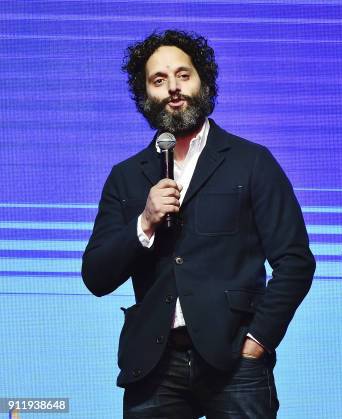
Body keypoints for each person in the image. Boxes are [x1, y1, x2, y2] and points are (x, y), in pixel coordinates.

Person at [81, 29, 316, 418]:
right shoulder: (125, 177)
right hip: (153, 366)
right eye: (159, 80)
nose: (173, 88)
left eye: (183, 75)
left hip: (235, 361)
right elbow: (96, 276)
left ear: (203, 81)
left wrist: (258, 340)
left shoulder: (251, 162)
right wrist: (145, 221)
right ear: (145, 96)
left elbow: (295, 261)